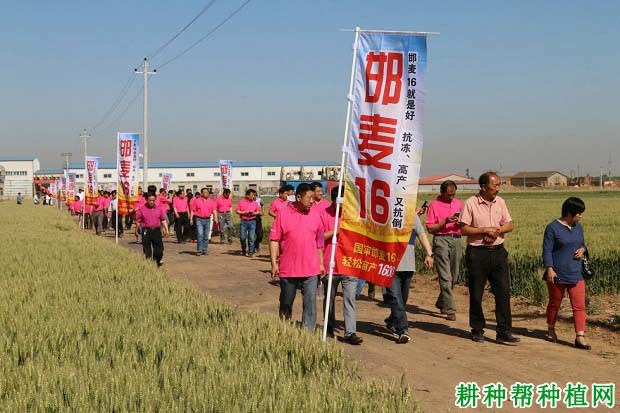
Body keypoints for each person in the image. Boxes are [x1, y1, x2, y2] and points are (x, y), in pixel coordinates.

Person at [459, 172, 519, 345]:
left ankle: (504, 332)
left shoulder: (500, 202)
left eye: (499, 184)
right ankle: (477, 329)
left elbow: (509, 224)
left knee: (503, 292)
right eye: (495, 185)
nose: (498, 188)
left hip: (498, 252)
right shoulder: (470, 203)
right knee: (477, 293)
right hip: (478, 254)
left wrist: (496, 232)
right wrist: (484, 230)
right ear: (484, 187)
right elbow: (464, 229)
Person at [270, 183, 325, 331]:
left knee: (310, 303)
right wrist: (274, 263)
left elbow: (319, 241)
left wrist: (321, 263)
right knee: (286, 302)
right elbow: (274, 239)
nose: (312, 201)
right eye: (309, 198)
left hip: (311, 268)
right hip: (289, 268)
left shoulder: (315, 213)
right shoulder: (283, 214)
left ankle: (308, 335)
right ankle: (284, 330)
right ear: (299, 197)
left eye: (313, 198)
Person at [543, 197, 590, 350]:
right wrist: (549, 268)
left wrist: (582, 249)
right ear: (569, 213)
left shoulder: (578, 227)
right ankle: (550, 329)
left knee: (579, 306)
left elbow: (582, 243)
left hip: (576, 272)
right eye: (579, 213)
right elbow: (547, 250)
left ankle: (580, 336)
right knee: (554, 303)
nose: (580, 216)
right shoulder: (552, 228)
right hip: (557, 274)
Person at [384, 210, 434, 343]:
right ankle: (403, 330)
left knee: (402, 300)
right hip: (389, 265)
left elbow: (422, 235)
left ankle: (391, 320)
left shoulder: (412, 216)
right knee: (395, 298)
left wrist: (429, 254)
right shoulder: (384, 215)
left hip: (408, 264)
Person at [322, 186, 362, 344]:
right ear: (334, 199)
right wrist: (336, 231)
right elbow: (319, 237)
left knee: (350, 298)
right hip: (330, 264)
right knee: (329, 298)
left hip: (349, 263)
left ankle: (350, 332)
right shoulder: (324, 213)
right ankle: (329, 326)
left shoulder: (354, 215)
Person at [426, 180, 463, 321]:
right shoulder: (434, 205)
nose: (451, 197)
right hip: (441, 240)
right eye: (448, 195)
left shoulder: (459, 204)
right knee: (445, 276)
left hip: (456, 239)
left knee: (454, 276)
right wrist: (445, 221)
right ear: (442, 193)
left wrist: (460, 221)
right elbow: (430, 228)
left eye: (453, 194)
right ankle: (450, 309)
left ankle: (442, 302)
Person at [135, 192, 168, 267]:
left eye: (153, 200)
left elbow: (163, 219)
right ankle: (150, 265)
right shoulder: (142, 209)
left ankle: (156, 261)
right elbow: (138, 220)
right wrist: (136, 230)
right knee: (147, 250)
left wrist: (166, 228)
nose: (151, 202)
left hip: (156, 230)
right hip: (146, 231)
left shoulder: (159, 209)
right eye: (150, 200)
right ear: (146, 200)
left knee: (159, 251)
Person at [190, 188, 218, 256]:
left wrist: (216, 218)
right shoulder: (197, 201)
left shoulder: (211, 201)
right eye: (205, 192)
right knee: (200, 234)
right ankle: (199, 250)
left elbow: (214, 210)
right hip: (199, 219)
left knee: (206, 235)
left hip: (208, 219)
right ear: (202, 194)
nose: (206, 193)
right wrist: (191, 219)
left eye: (207, 192)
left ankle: (204, 250)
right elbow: (192, 210)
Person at [236, 189, 261, 257]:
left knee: (251, 238)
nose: (253, 196)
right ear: (247, 195)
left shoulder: (255, 203)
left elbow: (259, 211)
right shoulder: (241, 202)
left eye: (254, 195)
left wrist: (254, 213)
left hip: (252, 221)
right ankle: (243, 248)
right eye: (252, 195)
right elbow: (237, 211)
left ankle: (250, 252)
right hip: (243, 222)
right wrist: (244, 212)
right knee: (242, 238)